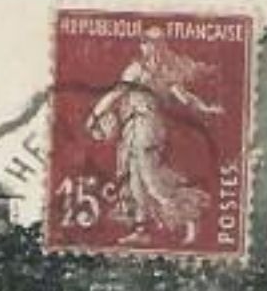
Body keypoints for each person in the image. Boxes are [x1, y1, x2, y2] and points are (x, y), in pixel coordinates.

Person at [85, 25, 222, 247]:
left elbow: (182, 97)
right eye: (144, 43)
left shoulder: (149, 71)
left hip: (146, 127)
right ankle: (141, 231)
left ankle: (190, 217)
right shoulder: (143, 70)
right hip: (137, 126)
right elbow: (118, 95)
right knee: (135, 180)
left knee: (151, 180)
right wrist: (205, 108)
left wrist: (94, 116)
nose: (146, 47)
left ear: (158, 46)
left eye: (149, 43)